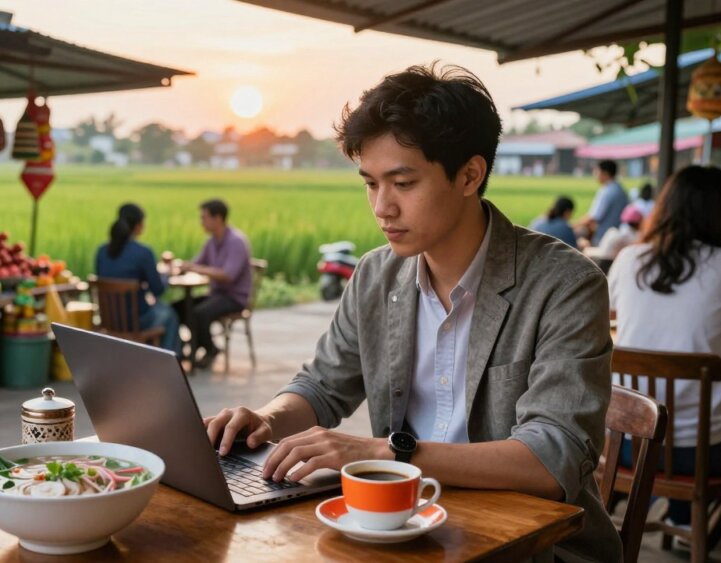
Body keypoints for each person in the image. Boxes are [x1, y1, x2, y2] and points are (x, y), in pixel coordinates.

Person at [203, 63, 619, 562]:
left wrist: (387, 452)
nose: (382, 207)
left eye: (402, 183)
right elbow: (322, 385)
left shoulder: (564, 284)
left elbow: (554, 458)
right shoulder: (376, 276)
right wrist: (265, 421)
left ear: (469, 175)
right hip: (403, 527)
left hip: (534, 547)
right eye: (371, 184)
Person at [608, 165, 721, 533]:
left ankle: (683, 516)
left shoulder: (629, 259)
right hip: (707, 453)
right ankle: (717, 534)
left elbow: (609, 315)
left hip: (628, 445)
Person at [95, 203, 181, 354]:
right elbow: (158, 290)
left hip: (109, 320)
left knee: (160, 310)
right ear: (138, 225)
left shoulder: (101, 251)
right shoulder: (143, 252)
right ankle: (169, 363)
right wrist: (166, 275)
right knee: (169, 314)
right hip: (136, 321)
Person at [176, 199, 252, 370]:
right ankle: (191, 346)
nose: (201, 222)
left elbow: (227, 275)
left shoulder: (236, 241)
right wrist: (182, 267)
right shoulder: (211, 242)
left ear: (218, 218)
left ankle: (209, 349)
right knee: (178, 308)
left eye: (204, 218)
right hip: (216, 294)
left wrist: (197, 268)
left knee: (199, 313)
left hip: (234, 297)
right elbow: (197, 263)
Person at [575, 159, 629, 246]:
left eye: (597, 171)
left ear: (605, 173)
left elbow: (593, 217)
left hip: (603, 238)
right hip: (617, 236)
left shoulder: (607, 191)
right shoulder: (620, 189)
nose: (595, 174)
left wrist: (572, 226)